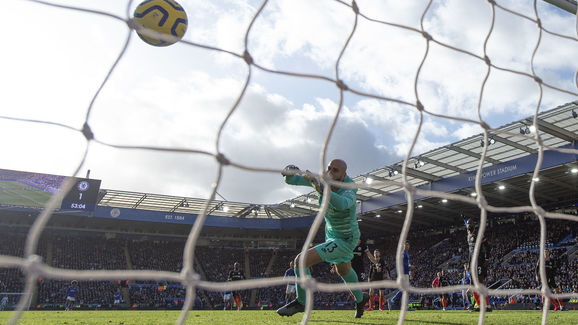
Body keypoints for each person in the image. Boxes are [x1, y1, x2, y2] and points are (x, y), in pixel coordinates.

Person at [276, 159, 369, 319]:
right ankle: (361, 299)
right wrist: (290, 172)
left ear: (344, 175)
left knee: (301, 261)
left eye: (336, 171)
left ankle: (302, 302)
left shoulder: (349, 189)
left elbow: (341, 204)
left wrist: (322, 189)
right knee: (343, 270)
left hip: (346, 239)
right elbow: (294, 180)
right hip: (332, 234)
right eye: (329, 169)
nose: (331, 173)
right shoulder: (322, 181)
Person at [466, 218, 491, 312]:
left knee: (480, 283)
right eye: (468, 223)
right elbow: (470, 252)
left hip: (480, 261)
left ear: (474, 225)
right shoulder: (468, 236)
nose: (469, 225)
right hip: (472, 263)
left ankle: (487, 306)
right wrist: (469, 263)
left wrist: (487, 259)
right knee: (472, 284)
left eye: (470, 223)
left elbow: (488, 247)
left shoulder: (479, 235)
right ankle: (480, 306)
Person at [388, 240, 412, 311]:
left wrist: (410, 271)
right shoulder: (402, 253)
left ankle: (394, 300)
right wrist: (409, 267)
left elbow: (407, 264)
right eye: (405, 244)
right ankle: (395, 301)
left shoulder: (407, 254)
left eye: (408, 245)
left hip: (406, 273)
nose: (407, 246)